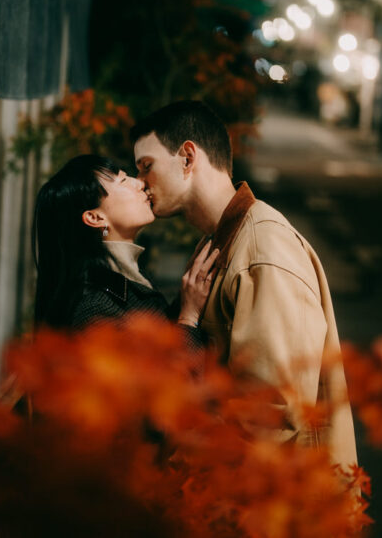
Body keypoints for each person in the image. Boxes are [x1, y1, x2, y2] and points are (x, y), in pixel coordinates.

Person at [131, 100, 357, 469]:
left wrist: (182, 459)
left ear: (188, 157)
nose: (141, 183)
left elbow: (271, 410)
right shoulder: (221, 239)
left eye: (146, 167)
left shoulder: (263, 247)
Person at [32, 154, 218, 339]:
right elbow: (163, 368)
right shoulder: (96, 310)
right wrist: (189, 317)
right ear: (95, 218)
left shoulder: (127, 279)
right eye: (122, 181)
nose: (139, 183)